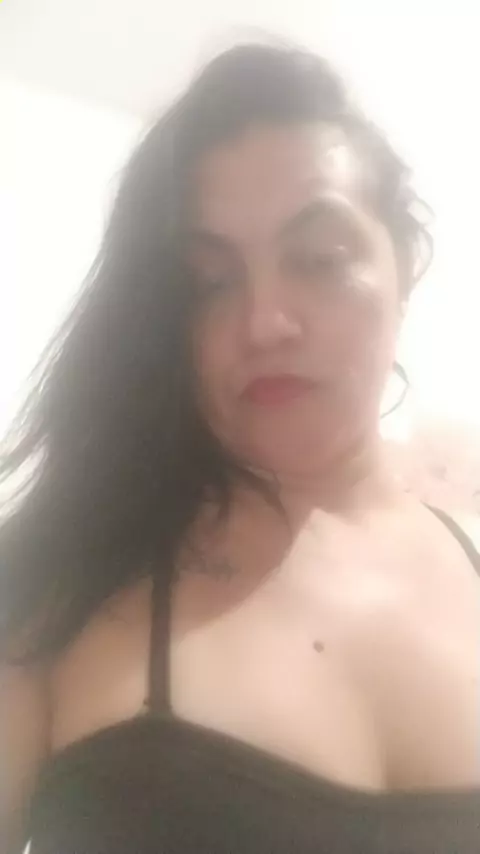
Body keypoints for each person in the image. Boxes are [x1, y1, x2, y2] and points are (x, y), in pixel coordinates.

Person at [1, 43, 479, 854]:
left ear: (405, 267)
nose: (265, 323)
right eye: (209, 282)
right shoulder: (53, 583)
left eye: (319, 260)